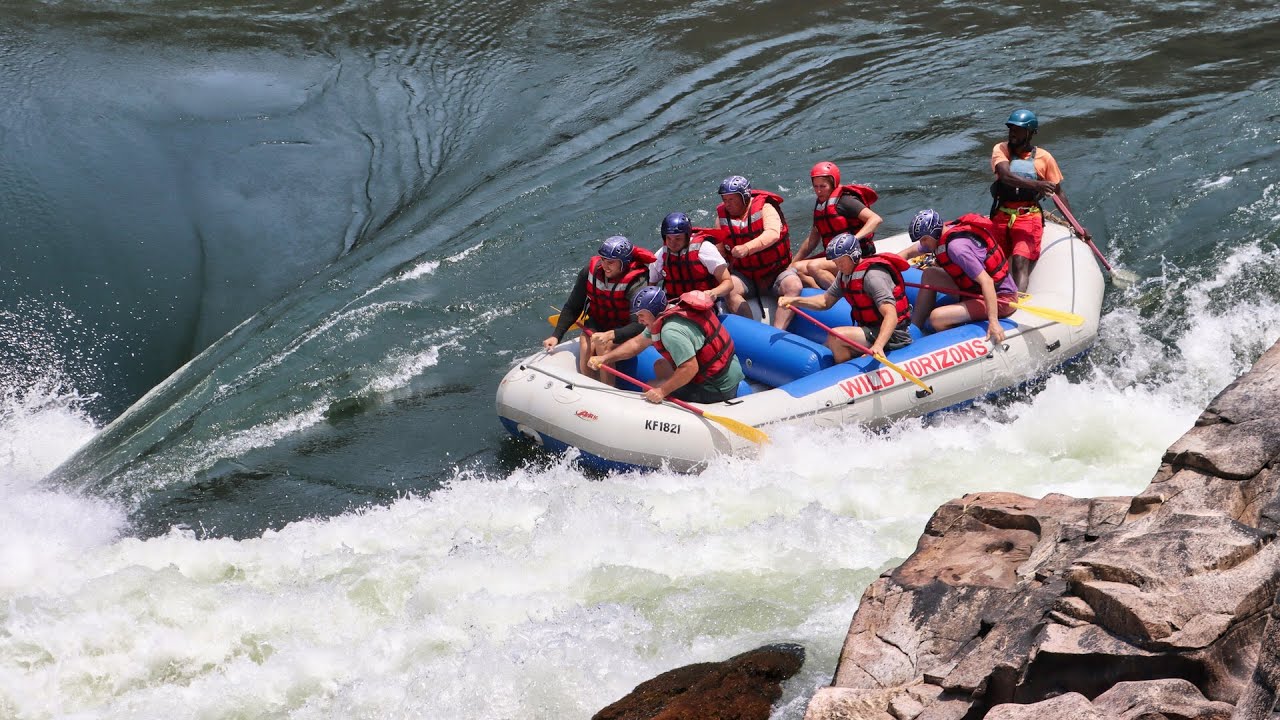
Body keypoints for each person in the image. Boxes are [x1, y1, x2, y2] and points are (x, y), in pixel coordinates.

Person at [990, 108, 1091, 290]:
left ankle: (1016, 304)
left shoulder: (1045, 158)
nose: (1012, 132)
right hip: (1002, 215)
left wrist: (1076, 225)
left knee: (1020, 261)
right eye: (1011, 128)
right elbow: (1005, 176)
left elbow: (1058, 193)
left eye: (1017, 129)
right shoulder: (1001, 149)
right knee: (991, 261)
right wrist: (1037, 185)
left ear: (1029, 133)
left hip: (1028, 217)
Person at [589, 287, 744, 404]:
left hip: (716, 388)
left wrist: (661, 391)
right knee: (660, 365)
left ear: (653, 311)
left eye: (641, 315)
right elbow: (636, 344)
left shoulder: (670, 331)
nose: (639, 320)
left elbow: (690, 368)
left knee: (649, 387)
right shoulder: (668, 314)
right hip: (725, 375)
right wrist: (604, 358)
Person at [778, 233, 912, 362]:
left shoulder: (873, 276)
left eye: (841, 261)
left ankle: (846, 374)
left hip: (895, 334)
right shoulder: (844, 275)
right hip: (871, 329)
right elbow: (825, 302)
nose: (838, 266)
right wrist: (795, 301)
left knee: (836, 336)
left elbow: (891, 315)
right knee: (827, 346)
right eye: (836, 262)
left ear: (854, 256)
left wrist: (878, 345)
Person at [543, 235, 656, 382]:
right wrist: (556, 335)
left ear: (624, 263)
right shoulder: (589, 273)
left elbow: (639, 324)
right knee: (586, 348)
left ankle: (608, 388)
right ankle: (589, 386)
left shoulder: (636, 282)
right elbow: (573, 306)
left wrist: (611, 335)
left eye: (611, 262)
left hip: (625, 328)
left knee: (604, 347)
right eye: (602, 260)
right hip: (598, 323)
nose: (605, 265)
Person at [898, 209, 1015, 345]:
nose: (923, 243)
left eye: (924, 239)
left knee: (937, 317)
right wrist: (882, 263)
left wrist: (993, 321)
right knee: (930, 273)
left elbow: (987, 281)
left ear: (934, 232)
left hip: (1001, 298)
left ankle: (959, 339)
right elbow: (907, 253)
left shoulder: (957, 248)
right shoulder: (940, 237)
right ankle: (915, 328)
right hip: (973, 291)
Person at [714, 175, 805, 329]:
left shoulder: (766, 208)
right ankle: (753, 332)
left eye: (731, 199)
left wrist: (747, 248)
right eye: (725, 199)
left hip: (775, 272)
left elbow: (773, 233)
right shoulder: (721, 218)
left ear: (744, 197)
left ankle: (778, 331)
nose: (727, 204)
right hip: (745, 275)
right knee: (729, 289)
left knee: (794, 285)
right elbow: (720, 249)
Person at [790, 161, 883, 290]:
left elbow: (875, 219)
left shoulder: (846, 201)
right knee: (795, 269)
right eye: (815, 186)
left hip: (857, 256)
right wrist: (793, 262)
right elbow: (812, 239)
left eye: (823, 186)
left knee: (813, 266)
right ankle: (825, 297)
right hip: (836, 257)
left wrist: (854, 239)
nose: (818, 191)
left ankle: (842, 295)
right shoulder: (821, 205)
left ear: (833, 184)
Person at [648, 212, 749, 317]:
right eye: (668, 238)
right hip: (677, 307)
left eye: (678, 238)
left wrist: (711, 293)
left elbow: (728, 283)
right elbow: (651, 288)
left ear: (687, 236)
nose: (672, 243)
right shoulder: (660, 256)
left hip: (707, 305)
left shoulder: (705, 249)